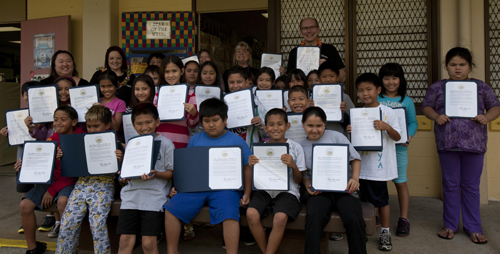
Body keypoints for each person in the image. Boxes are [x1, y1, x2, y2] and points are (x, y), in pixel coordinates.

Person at [422, 47, 500, 244]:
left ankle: (474, 228)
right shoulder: (438, 87)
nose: (457, 69)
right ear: (447, 67)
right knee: (450, 185)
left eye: (462, 65)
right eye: (453, 65)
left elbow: (495, 107)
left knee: (471, 186)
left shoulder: (480, 87)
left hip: (474, 143)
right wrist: (436, 116)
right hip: (447, 143)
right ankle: (450, 225)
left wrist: (487, 117)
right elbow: (427, 107)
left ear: (469, 66)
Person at [164, 98, 252, 254]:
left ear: (225, 120)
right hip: (197, 188)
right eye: (206, 121)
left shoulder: (236, 140)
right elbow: (188, 167)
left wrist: (247, 193)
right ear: (201, 122)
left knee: (230, 212)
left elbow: (247, 168)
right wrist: (177, 187)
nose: (211, 124)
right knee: (172, 208)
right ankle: (172, 251)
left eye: (215, 120)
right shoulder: (196, 139)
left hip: (226, 189)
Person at [55, 105, 124, 253]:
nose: (92, 130)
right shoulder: (79, 142)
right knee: (67, 223)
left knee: (98, 224)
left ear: (107, 125)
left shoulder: (115, 144)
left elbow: (124, 173)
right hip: (81, 184)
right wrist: (63, 158)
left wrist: (121, 159)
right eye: (89, 126)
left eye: (96, 126)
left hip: (104, 185)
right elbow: (72, 168)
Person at [17, 106, 84, 254]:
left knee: (62, 202)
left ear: (74, 122)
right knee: (24, 205)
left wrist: (51, 190)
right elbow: (41, 165)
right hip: (51, 181)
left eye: (63, 119)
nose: (58, 123)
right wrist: (23, 166)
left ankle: (68, 247)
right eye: (55, 120)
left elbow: (74, 174)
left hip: (69, 182)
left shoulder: (80, 138)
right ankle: (32, 248)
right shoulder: (51, 140)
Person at [300, 106, 366, 254]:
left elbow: (355, 158)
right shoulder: (301, 146)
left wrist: (355, 178)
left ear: (325, 124)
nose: (314, 130)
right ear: (303, 124)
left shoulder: (336, 137)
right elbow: (305, 174)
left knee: (354, 219)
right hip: (320, 191)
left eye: (319, 126)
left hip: (344, 188)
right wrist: (308, 186)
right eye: (310, 125)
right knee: (314, 218)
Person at [348, 73, 401, 251]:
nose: (364, 94)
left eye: (369, 89)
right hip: (361, 167)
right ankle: (362, 231)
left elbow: (398, 136)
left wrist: (386, 127)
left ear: (378, 90)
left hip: (378, 168)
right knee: (360, 201)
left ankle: (385, 232)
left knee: (381, 200)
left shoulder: (388, 112)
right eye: (361, 90)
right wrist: (350, 130)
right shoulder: (357, 113)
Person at [117, 103, 174, 254]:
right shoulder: (132, 144)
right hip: (131, 197)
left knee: (148, 244)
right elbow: (129, 173)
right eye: (139, 123)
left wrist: (157, 173)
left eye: (149, 122)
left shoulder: (166, 144)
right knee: (124, 242)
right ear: (133, 125)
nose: (144, 127)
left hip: (154, 197)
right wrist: (124, 175)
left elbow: (171, 173)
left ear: (157, 122)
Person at [246, 109, 306, 254]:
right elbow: (256, 177)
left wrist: (293, 165)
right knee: (251, 214)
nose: (275, 128)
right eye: (271, 125)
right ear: (265, 128)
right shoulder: (260, 148)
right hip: (265, 189)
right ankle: (266, 250)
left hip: (288, 191)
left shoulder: (296, 148)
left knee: (280, 217)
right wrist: (251, 165)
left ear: (287, 126)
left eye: (280, 124)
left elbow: (299, 180)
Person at [378, 63, 418, 237]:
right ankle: (377, 216)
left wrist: (408, 136)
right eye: (386, 78)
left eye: (394, 78)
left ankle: (403, 219)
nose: (390, 82)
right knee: (379, 183)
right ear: (381, 81)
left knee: (400, 183)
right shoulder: (376, 98)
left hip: (399, 149)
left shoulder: (406, 101)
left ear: (400, 80)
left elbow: (413, 122)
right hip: (379, 149)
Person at [154, 55, 199, 149]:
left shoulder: (190, 94)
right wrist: (153, 112)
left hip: (181, 142)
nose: (171, 75)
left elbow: (192, 124)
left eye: (174, 71)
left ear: (182, 71)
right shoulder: (159, 95)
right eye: (167, 72)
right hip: (160, 143)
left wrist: (194, 113)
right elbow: (153, 122)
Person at [285, 18, 346, 83]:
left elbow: (343, 78)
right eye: (305, 28)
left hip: (324, 90)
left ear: (318, 29)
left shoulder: (330, 49)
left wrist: (328, 66)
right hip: (302, 91)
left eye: (312, 27)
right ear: (301, 31)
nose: (309, 31)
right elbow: (289, 79)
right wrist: (282, 74)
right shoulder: (294, 52)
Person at [226, 66, 268, 149]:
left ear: (246, 82)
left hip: (251, 151)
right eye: (231, 82)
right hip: (230, 151)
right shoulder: (223, 103)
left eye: (239, 82)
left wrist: (261, 122)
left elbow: (266, 133)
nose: (235, 86)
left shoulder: (256, 103)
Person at [317, 61, 355, 136]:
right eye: (324, 76)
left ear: (338, 77)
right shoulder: (313, 98)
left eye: (331, 76)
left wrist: (344, 113)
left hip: (339, 135)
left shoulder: (345, 97)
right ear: (319, 78)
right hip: (318, 135)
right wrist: (312, 109)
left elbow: (354, 121)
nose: (328, 79)